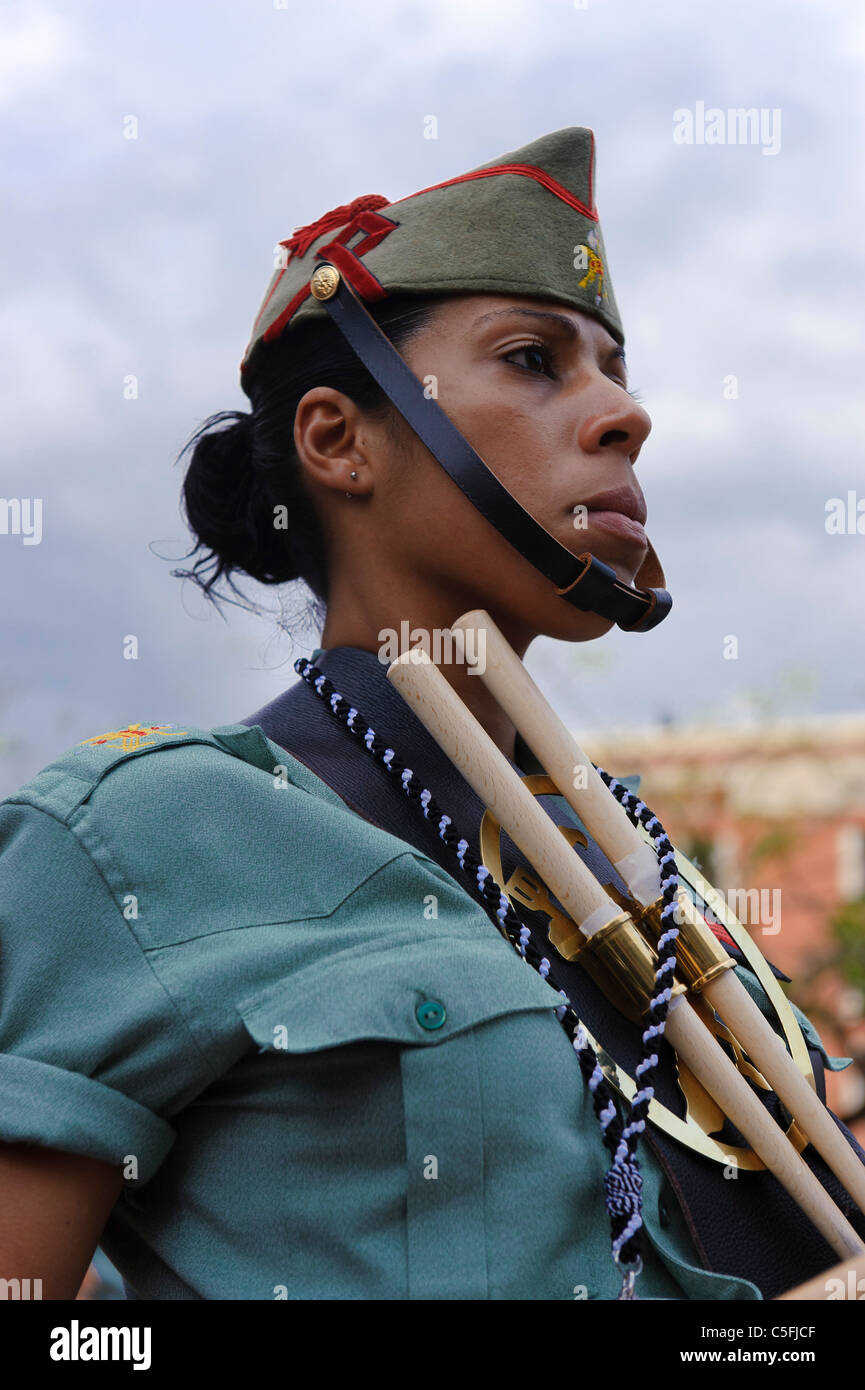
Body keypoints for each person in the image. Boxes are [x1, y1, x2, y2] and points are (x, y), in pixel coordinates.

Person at [0, 127, 862, 1302]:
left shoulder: (643, 867)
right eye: (532, 359)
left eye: (616, 368)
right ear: (338, 441)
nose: (624, 414)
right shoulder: (143, 836)